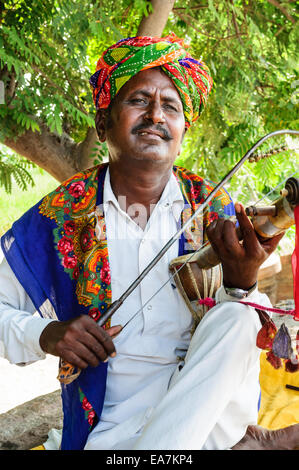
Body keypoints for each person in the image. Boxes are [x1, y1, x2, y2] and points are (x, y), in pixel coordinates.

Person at [0, 34, 298, 451]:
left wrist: (243, 284)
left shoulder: (213, 206)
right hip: (112, 426)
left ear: (182, 130)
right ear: (103, 123)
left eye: (171, 106)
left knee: (238, 319)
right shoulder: (63, 213)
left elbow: (244, 341)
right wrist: (46, 333)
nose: (156, 114)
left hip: (211, 416)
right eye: (138, 100)